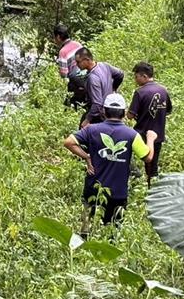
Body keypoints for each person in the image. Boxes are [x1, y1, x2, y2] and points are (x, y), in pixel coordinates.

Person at [63, 92, 150, 235]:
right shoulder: (131, 135)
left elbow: (68, 142)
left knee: (86, 229)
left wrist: (86, 157)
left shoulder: (92, 129)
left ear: (104, 111)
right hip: (118, 193)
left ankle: (81, 253)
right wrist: (151, 139)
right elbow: (147, 157)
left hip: (93, 190)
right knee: (113, 234)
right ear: (124, 113)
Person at [127, 62, 172, 186]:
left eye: (136, 77)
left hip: (141, 134)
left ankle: (134, 175)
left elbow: (130, 115)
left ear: (144, 76)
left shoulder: (140, 92)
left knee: (125, 151)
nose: (135, 80)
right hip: (158, 133)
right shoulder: (163, 90)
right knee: (153, 166)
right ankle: (152, 188)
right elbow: (168, 110)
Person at [74, 47, 124, 126]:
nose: (77, 65)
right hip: (108, 111)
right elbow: (120, 74)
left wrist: (87, 120)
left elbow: (97, 104)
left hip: (98, 116)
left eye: (78, 62)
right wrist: (114, 89)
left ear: (87, 60)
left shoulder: (93, 78)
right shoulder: (104, 65)